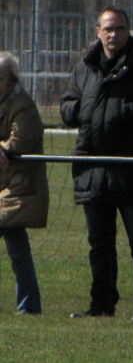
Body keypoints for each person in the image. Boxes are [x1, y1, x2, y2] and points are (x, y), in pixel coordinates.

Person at [60, 5, 133, 320]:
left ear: (129, 31)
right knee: (99, 245)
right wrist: (78, 112)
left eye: (119, 28)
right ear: (98, 32)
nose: (113, 34)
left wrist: (124, 111)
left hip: (130, 169)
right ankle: (101, 306)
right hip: (91, 168)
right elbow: (67, 103)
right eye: (108, 29)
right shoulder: (85, 68)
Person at [0, 52, 49, 315]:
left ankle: (28, 306)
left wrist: (4, 147)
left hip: (19, 187)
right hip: (4, 187)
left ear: (11, 80)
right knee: (18, 250)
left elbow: (20, 142)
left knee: (18, 251)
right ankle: (29, 307)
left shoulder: (23, 105)